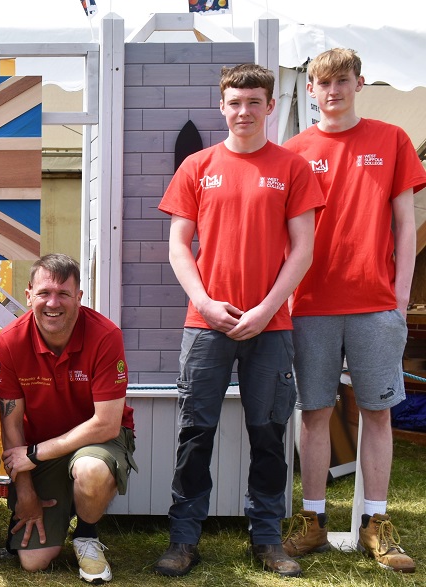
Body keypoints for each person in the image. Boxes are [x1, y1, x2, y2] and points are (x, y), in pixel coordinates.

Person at [152, 63, 324, 578]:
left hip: (269, 326)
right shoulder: (197, 167)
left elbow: (303, 250)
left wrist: (267, 309)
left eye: (254, 102)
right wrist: (205, 303)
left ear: (270, 107)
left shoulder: (293, 168)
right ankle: (184, 539)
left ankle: (266, 539)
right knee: (194, 432)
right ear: (221, 106)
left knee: (269, 433)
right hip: (205, 324)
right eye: (234, 102)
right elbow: (179, 245)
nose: (243, 111)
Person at [281, 48, 426, 574]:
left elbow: (406, 223)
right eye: (322, 82)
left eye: (342, 80)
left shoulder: (391, 140)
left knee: (378, 413)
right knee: (314, 412)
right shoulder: (293, 151)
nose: (333, 90)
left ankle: (377, 524)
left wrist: (400, 294)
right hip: (312, 303)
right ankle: (314, 521)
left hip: (375, 304)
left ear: (359, 83)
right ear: (312, 90)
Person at [0, 253, 136, 584]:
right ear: (28, 295)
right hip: (40, 449)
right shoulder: (10, 342)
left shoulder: (105, 335)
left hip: (98, 441)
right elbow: (11, 425)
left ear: (79, 298)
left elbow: (107, 424)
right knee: (33, 562)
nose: (52, 303)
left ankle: (87, 535)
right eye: (44, 293)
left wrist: (35, 455)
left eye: (63, 294)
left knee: (90, 470)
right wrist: (25, 492)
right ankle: (67, 508)